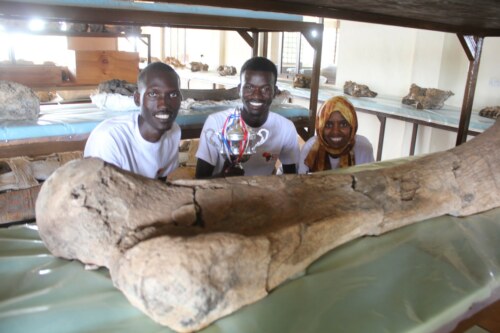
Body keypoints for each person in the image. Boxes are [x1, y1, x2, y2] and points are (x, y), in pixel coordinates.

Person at [195, 56, 300, 178]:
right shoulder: (216, 122)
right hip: (221, 194)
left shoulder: (286, 128)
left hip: (263, 194)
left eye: (265, 89)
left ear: (275, 92)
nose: (257, 96)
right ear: (239, 89)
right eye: (249, 87)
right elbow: (200, 179)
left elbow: (291, 178)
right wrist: (223, 177)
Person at [84, 62, 182, 180]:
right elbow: (100, 194)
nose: (164, 104)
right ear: (137, 99)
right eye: (153, 94)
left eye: (173, 95)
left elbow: (159, 183)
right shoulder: (109, 139)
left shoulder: (173, 132)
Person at [298, 96, 374, 173]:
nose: (335, 132)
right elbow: (302, 183)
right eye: (328, 125)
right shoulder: (310, 149)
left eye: (343, 124)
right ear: (320, 127)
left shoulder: (363, 148)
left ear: (352, 126)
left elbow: (369, 183)